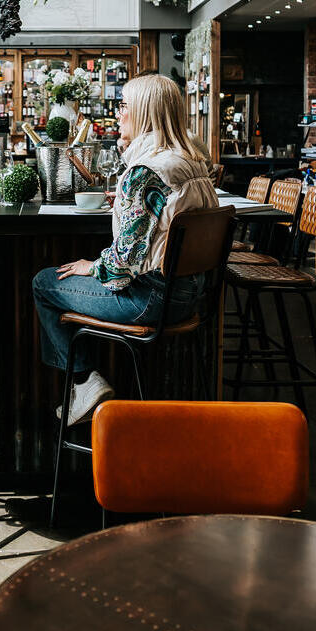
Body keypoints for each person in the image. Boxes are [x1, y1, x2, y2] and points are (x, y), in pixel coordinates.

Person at [32, 73, 218, 426]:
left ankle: (84, 382)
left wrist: (92, 264)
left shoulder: (145, 171)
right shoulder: (193, 159)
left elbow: (121, 267)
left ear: (145, 113)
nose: (118, 114)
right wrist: (131, 204)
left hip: (152, 300)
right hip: (192, 293)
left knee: (44, 282)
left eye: (123, 106)